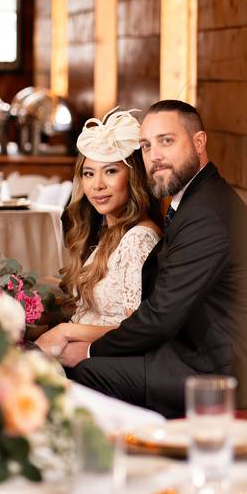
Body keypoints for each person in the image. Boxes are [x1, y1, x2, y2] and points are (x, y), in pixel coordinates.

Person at [61, 100, 247, 418]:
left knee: (88, 371)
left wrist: (89, 349)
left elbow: (161, 317)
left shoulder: (207, 214)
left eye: (166, 141)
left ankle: (126, 461)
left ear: (199, 142)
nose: (154, 156)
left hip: (218, 369)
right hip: (190, 351)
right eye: (146, 146)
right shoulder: (193, 200)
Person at [35, 108, 162, 356]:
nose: (97, 185)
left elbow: (134, 331)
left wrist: (65, 332)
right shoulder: (109, 230)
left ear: (133, 177)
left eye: (111, 171)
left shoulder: (138, 239)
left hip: (99, 361)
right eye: (89, 174)